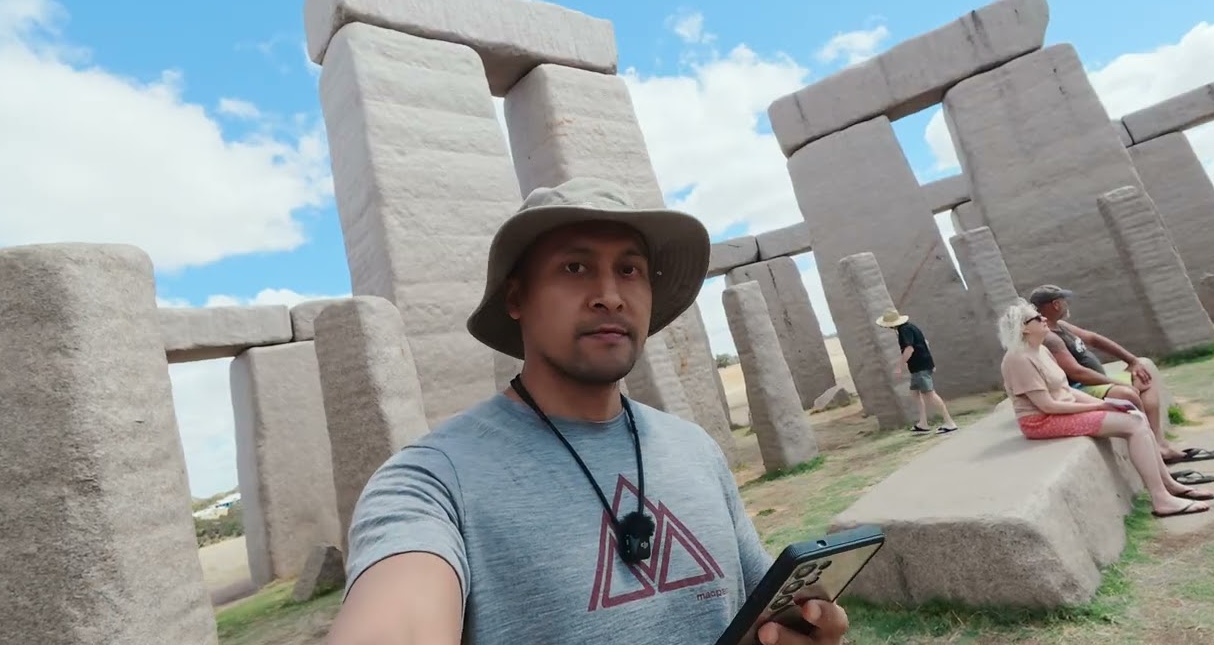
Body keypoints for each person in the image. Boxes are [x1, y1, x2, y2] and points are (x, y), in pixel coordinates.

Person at [325, 177, 852, 645]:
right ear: (516, 297)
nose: (609, 295)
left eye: (630, 269)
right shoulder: (430, 482)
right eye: (575, 267)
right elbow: (398, 616)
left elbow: (756, 604)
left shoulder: (695, 449)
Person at [996, 299, 1212, 518]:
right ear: (1023, 328)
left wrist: (1110, 404)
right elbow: (1047, 406)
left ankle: (1168, 485)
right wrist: (1102, 404)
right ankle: (1161, 499)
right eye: (1036, 318)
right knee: (1135, 423)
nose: (1043, 319)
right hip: (1041, 421)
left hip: (1059, 410)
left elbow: (1066, 392)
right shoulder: (1018, 359)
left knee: (1134, 414)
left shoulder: (1041, 350)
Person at [1027, 284, 1214, 478]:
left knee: (1143, 375)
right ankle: (1154, 459)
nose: (1066, 304)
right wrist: (1119, 384)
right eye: (1063, 300)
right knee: (1127, 394)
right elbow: (1077, 373)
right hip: (1080, 388)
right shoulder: (1049, 338)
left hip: (1099, 382)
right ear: (1055, 304)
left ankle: (1160, 445)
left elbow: (1094, 339)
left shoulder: (1062, 326)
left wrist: (1132, 361)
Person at [876, 308, 958, 434]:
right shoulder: (910, 327)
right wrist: (930, 363)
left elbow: (909, 349)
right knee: (915, 393)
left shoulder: (904, 330)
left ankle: (949, 422)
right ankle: (923, 423)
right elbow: (925, 343)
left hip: (920, 367)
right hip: (920, 366)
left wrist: (899, 366)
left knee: (929, 394)